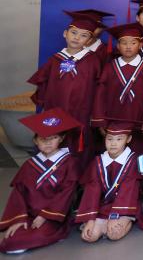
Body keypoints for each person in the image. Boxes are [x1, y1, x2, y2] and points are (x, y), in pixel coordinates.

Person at [0, 109, 81, 254]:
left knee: (18, 241)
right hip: (30, 215)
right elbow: (18, 194)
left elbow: (66, 193)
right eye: (43, 139)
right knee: (9, 240)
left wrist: (44, 216)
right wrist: (19, 219)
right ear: (35, 141)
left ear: (61, 139)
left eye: (53, 138)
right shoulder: (29, 165)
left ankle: (52, 233)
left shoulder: (69, 163)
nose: (48, 142)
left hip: (54, 216)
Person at [28, 11, 103, 161]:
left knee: (78, 145)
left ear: (89, 40)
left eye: (83, 35)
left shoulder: (93, 61)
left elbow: (100, 89)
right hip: (55, 110)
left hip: (81, 112)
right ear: (65, 33)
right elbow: (43, 84)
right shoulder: (55, 60)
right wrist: (43, 105)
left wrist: (95, 113)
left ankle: (77, 174)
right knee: (54, 142)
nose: (77, 37)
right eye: (74, 33)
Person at [91, 22, 143, 154]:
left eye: (133, 43)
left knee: (137, 152)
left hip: (137, 120)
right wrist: (100, 119)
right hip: (112, 119)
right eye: (124, 43)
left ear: (140, 45)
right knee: (112, 152)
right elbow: (100, 94)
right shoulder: (110, 66)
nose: (128, 46)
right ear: (118, 46)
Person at [76, 119, 142, 242]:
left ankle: (126, 221)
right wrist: (90, 219)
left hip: (124, 207)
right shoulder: (98, 162)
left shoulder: (133, 161)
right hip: (102, 207)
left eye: (119, 139)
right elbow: (92, 190)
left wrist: (114, 215)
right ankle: (102, 224)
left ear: (128, 139)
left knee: (114, 235)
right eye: (109, 139)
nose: (113, 144)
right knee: (90, 237)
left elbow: (128, 191)